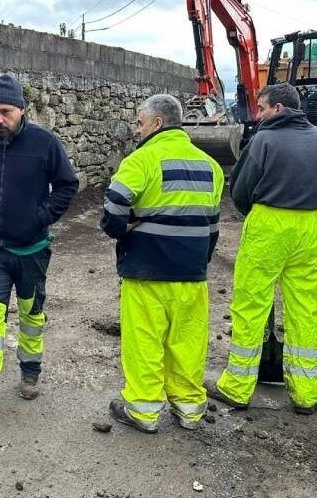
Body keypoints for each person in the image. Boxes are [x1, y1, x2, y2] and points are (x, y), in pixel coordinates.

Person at [206, 83, 317, 415]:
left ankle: (237, 387)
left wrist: (258, 213)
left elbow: (239, 190)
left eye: (263, 108)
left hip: (269, 224)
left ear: (280, 108)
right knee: (306, 306)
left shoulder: (264, 140)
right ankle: (307, 393)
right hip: (310, 226)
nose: (259, 114)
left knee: (251, 304)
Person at [0, 73, 79, 421]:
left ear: (22, 110)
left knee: (31, 316)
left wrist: (41, 216)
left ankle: (30, 370)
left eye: (5, 112)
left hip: (32, 250)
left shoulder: (44, 143)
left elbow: (68, 186)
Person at [101, 94, 224, 434]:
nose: (137, 131)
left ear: (156, 123)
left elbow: (113, 207)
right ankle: (189, 409)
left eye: (139, 123)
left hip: (147, 270)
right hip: (191, 273)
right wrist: (201, 259)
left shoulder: (140, 161)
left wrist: (119, 229)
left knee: (145, 341)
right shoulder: (210, 166)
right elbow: (213, 225)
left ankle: (143, 410)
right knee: (187, 341)